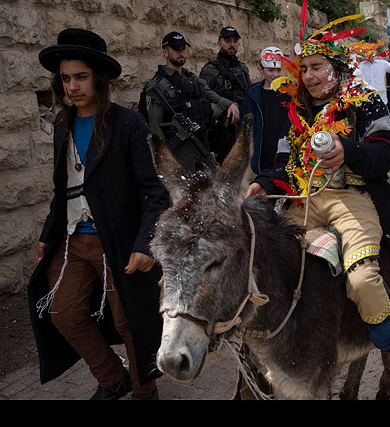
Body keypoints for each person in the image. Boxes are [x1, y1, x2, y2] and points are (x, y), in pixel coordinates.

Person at [245, 0, 390, 400]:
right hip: (299, 201)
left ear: (338, 69)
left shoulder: (367, 102)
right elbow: (281, 163)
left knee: (362, 278)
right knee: (263, 265)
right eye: (303, 68)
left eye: (317, 67)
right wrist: (263, 182)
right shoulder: (293, 112)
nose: (308, 76)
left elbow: (384, 153)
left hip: (351, 197)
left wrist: (349, 151)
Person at [28, 28, 171, 400]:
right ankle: (112, 377)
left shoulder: (128, 124)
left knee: (129, 321)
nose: (72, 87)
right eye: (65, 78)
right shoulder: (63, 125)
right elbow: (63, 189)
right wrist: (48, 234)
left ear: (99, 79)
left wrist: (145, 244)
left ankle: (144, 389)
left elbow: (155, 193)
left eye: (81, 77)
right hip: (74, 240)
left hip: (118, 242)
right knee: (64, 314)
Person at [140, 31, 237, 173]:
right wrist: (164, 159)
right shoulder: (158, 85)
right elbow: (155, 127)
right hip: (179, 150)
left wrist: (231, 105)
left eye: (183, 49)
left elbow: (212, 96)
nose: (181, 52)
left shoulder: (192, 79)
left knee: (214, 188)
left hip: (201, 144)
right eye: (176, 49)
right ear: (165, 53)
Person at [199, 26, 250, 162]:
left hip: (241, 128)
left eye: (235, 41)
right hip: (221, 130)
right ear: (219, 43)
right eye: (227, 40)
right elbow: (203, 100)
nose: (231, 44)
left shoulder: (242, 68)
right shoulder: (210, 70)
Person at [240, 46, 292, 174]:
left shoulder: (291, 93)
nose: (275, 75)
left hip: (285, 151)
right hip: (261, 153)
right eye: (270, 70)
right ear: (260, 70)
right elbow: (244, 124)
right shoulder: (252, 94)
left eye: (278, 70)